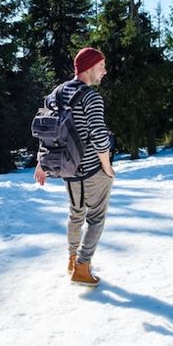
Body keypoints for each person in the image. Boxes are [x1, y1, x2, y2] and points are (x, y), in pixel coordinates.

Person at [34, 47, 114, 286]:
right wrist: (107, 168)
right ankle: (82, 267)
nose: (105, 71)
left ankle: (71, 259)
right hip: (91, 169)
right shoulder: (91, 97)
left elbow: (45, 132)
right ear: (89, 67)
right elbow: (100, 137)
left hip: (67, 169)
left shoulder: (55, 94)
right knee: (96, 218)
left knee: (76, 214)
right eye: (101, 66)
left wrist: (41, 163)